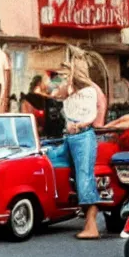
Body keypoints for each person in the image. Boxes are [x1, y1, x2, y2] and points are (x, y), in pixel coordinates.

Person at [53, 55, 105, 239]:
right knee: (54, 162)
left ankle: (91, 226)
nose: (61, 79)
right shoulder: (68, 95)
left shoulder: (89, 92)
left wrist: (79, 125)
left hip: (83, 136)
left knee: (84, 178)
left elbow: (91, 114)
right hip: (70, 137)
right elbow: (53, 93)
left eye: (65, 75)